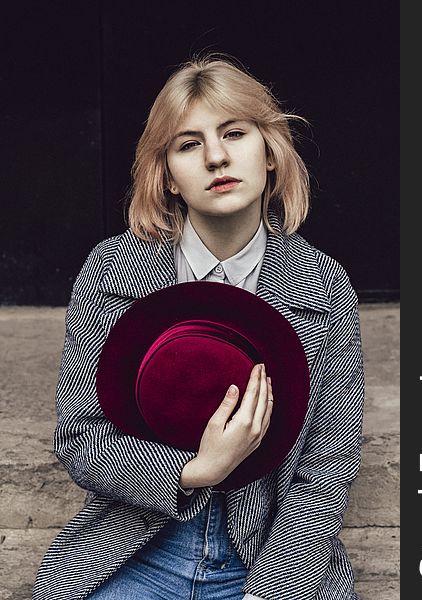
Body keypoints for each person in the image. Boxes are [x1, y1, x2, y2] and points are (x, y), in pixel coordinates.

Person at [33, 54, 365, 600]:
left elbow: (323, 477)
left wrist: (270, 590)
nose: (216, 157)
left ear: (272, 154)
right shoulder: (113, 270)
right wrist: (195, 469)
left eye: (234, 133)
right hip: (136, 553)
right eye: (188, 144)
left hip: (269, 560)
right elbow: (80, 440)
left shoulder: (323, 287)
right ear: (165, 175)